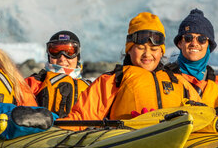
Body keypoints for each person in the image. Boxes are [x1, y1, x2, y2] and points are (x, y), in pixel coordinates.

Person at [66, 12, 201, 122]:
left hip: (176, 146)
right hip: (127, 146)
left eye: (154, 49)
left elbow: (201, 114)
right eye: (140, 48)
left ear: (162, 52)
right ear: (129, 50)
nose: (147, 54)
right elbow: (81, 118)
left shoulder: (178, 81)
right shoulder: (114, 80)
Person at [163, 9, 218, 111]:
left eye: (202, 39)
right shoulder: (165, 79)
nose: (194, 43)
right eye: (188, 38)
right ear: (180, 43)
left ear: (209, 45)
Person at [26, 30, 90, 117]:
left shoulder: (90, 88)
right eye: (55, 52)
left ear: (77, 56)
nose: (62, 58)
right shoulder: (33, 83)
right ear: (49, 56)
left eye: (69, 52)